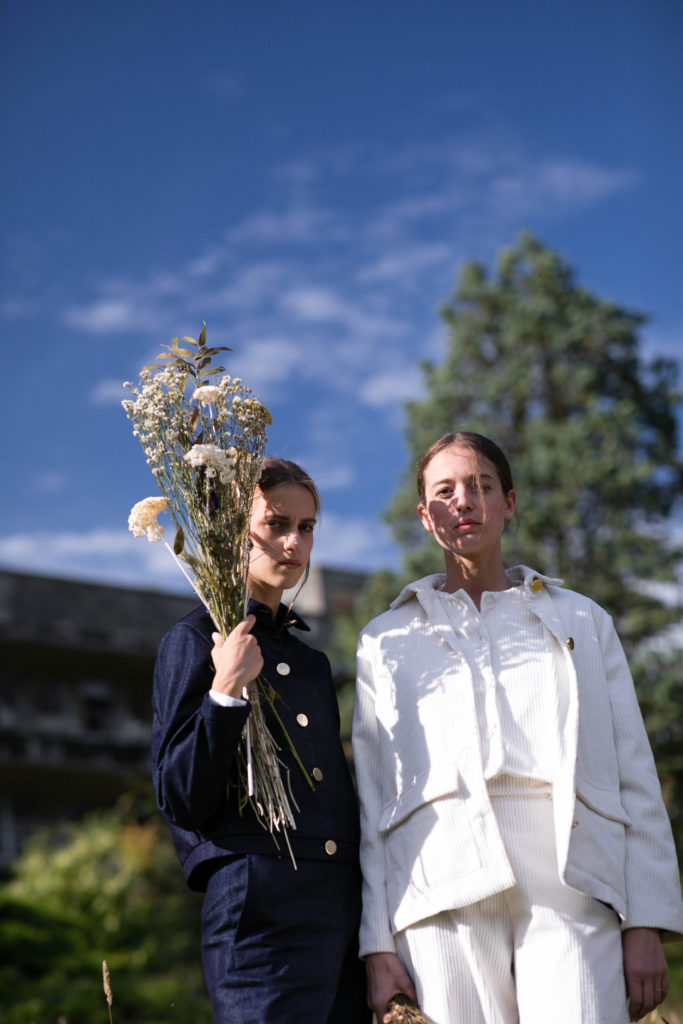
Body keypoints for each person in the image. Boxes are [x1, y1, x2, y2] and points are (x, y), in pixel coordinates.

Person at [352, 431, 683, 1024]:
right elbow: (373, 796)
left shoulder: (583, 618)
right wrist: (377, 943)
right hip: (439, 885)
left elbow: (634, 773)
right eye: (446, 491)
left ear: (509, 502)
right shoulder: (385, 639)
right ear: (426, 517)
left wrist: (646, 921)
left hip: (572, 877)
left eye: (481, 486)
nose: (465, 501)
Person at [152, 457, 370, 1024]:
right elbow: (180, 797)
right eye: (276, 523)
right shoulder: (196, 639)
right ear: (231, 529)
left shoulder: (314, 664)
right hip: (259, 914)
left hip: (341, 910)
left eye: (307, 527)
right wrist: (225, 689)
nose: (294, 542)